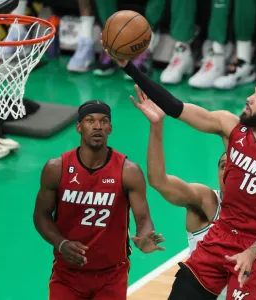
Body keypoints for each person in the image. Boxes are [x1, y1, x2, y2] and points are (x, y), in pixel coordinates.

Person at [105, 47, 256, 299]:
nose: (249, 99)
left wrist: (250, 253)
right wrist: (129, 67)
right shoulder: (231, 127)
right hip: (219, 237)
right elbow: (175, 107)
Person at [137, 90, 256, 296]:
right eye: (222, 166)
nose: (228, 170)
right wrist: (156, 126)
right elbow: (158, 180)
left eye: (232, 165)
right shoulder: (205, 199)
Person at [33, 100, 165, 300]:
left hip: (111, 275)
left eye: (104, 121)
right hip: (68, 273)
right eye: (90, 120)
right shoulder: (56, 168)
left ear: (110, 129)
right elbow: (41, 215)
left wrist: (145, 237)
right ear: (79, 127)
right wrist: (60, 243)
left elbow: (143, 219)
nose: (97, 126)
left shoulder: (128, 171)